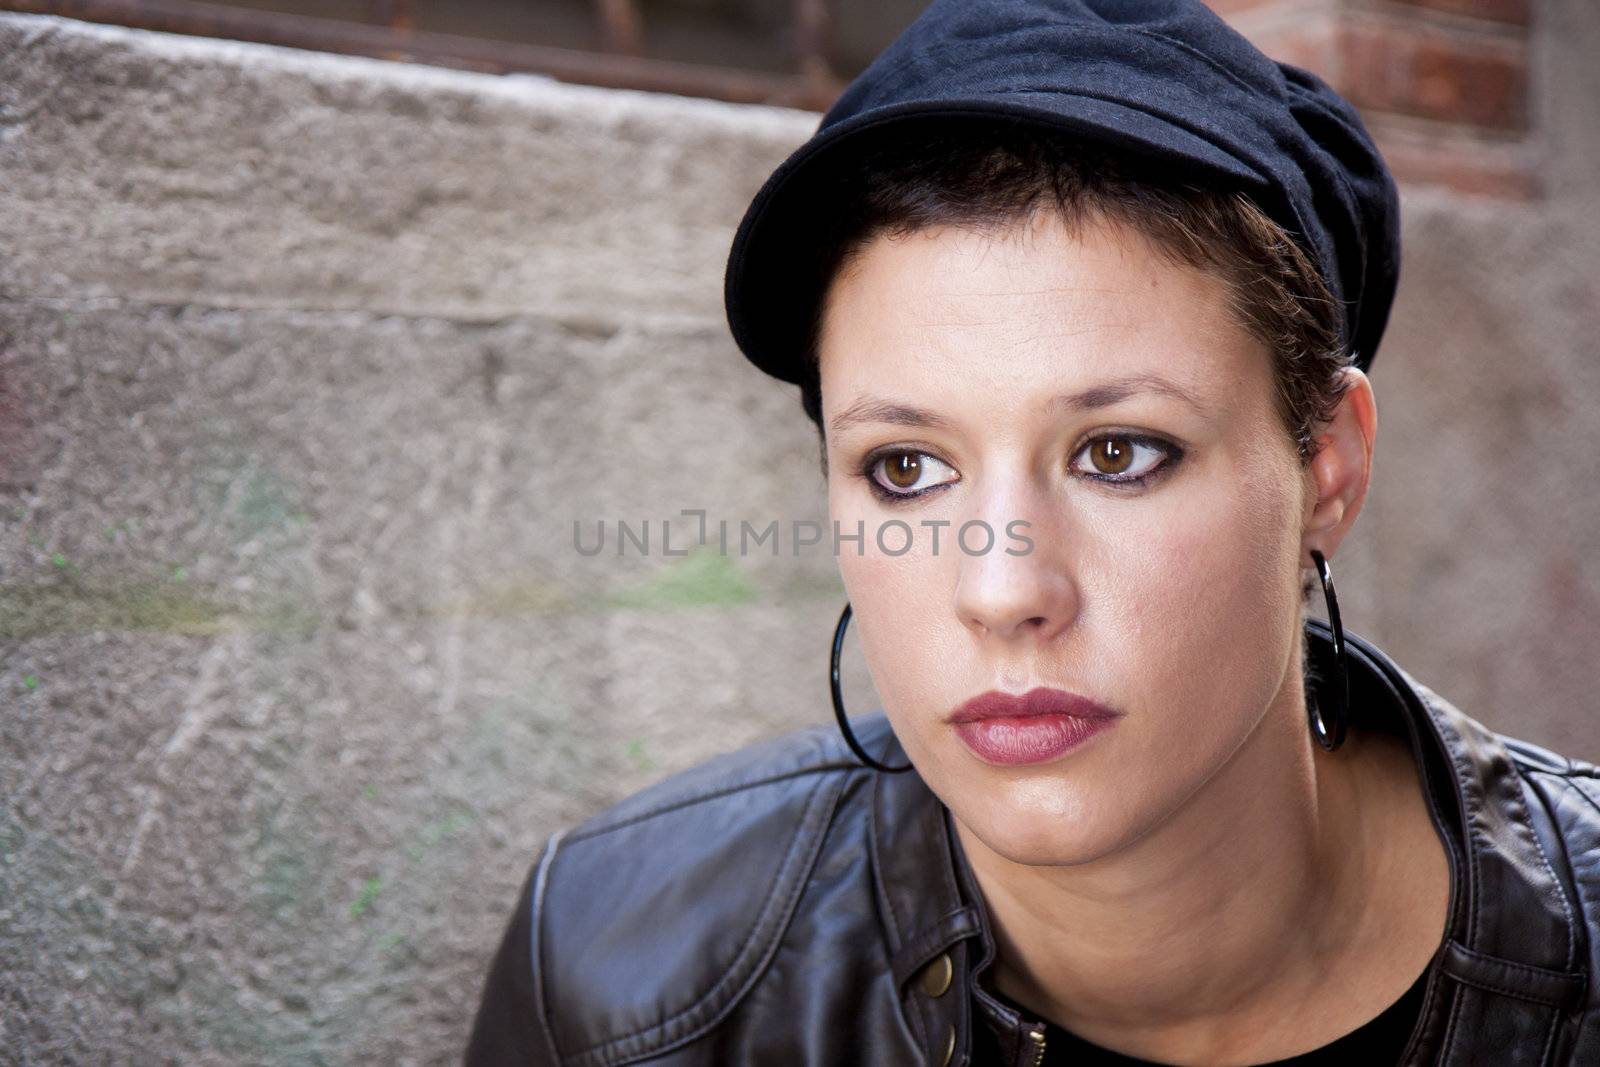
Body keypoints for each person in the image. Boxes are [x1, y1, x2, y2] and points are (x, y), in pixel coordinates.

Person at [465, 2, 1600, 1064]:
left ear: (1327, 469)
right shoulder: (622, 977)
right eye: (906, 468)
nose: (1002, 587)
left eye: (1118, 452)